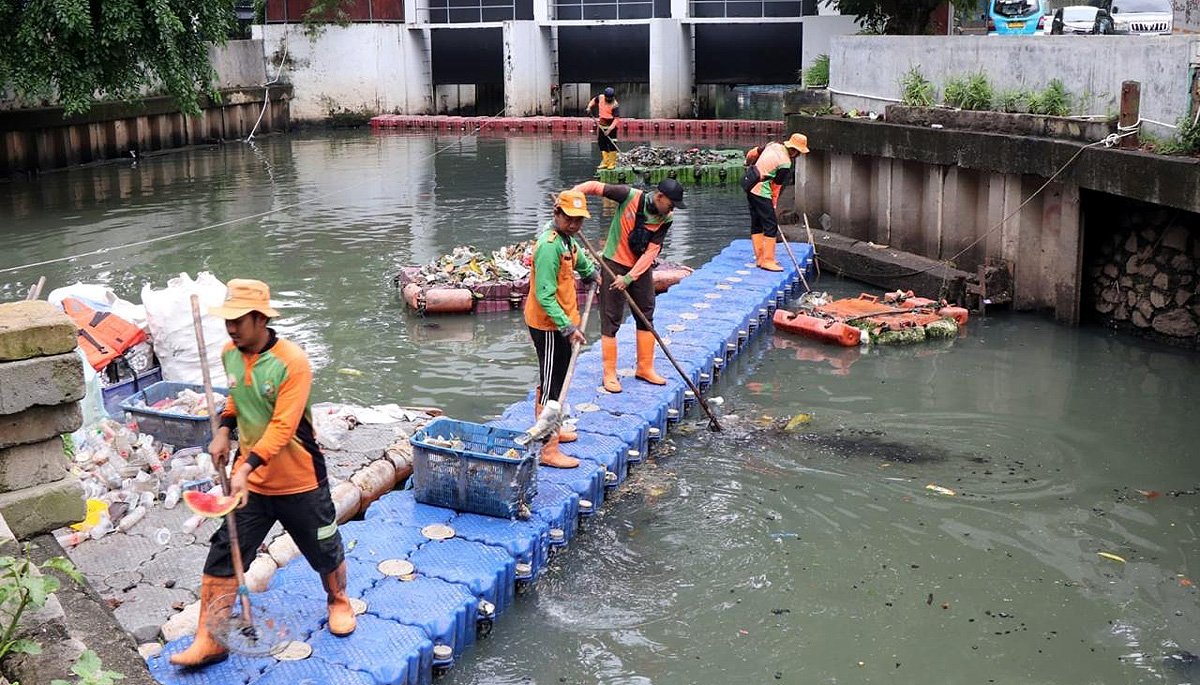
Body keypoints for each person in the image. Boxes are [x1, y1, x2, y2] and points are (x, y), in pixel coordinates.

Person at [171, 279, 355, 667]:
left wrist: (248, 465)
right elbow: (237, 399)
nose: (232, 328)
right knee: (225, 550)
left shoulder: (293, 362)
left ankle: (339, 600)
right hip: (249, 481)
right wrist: (223, 430)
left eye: (239, 321)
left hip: (300, 479)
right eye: (228, 321)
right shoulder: (230, 353)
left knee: (323, 546)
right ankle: (212, 637)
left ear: (260, 318)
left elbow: (283, 427)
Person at [572, 178, 685, 394]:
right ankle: (610, 373)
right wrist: (573, 195)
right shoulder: (629, 196)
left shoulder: (666, 218)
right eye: (671, 204)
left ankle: (645, 367)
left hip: (639, 269)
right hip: (613, 262)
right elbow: (595, 188)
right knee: (610, 317)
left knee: (646, 313)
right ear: (660, 197)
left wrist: (630, 278)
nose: (672, 210)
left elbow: (652, 251)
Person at [524, 190, 600, 468]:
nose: (575, 225)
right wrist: (567, 327)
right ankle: (547, 449)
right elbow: (545, 295)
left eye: (579, 220)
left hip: (562, 321)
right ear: (557, 214)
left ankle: (552, 430)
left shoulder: (567, 242)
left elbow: (578, 260)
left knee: (555, 379)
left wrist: (591, 271)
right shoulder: (549, 246)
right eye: (569, 219)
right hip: (549, 325)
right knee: (552, 386)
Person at [744, 132, 809, 272]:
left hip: (750, 185)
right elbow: (776, 186)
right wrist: (773, 204)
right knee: (771, 225)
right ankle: (768, 260)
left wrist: (747, 163)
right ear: (795, 151)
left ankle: (760, 257)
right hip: (762, 191)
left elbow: (752, 153)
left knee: (756, 222)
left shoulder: (773, 145)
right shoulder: (785, 163)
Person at [586, 87, 621, 170]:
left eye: (610, 98)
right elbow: (594, 100)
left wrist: (609, 130)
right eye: (607, 98)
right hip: (602, 125)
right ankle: (606, 161)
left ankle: (612, 163)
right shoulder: (600, 98)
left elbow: (616, 119)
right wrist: (589, 107)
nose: (608, 99)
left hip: (611, 126)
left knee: (612, 144)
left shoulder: (615, 105)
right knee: (602, 143)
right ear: (605, 96)